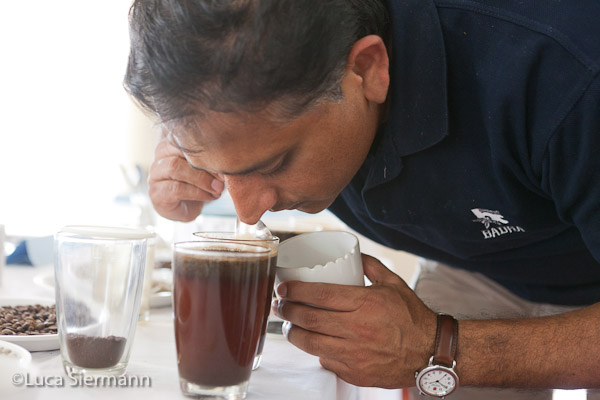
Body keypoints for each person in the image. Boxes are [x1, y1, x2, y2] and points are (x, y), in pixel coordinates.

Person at [124, 0, 600, 398]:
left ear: (367, 70)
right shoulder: (248, 88)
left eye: (272, 164)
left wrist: (437, 347)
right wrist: (193, 155)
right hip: (480, 259)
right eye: (219, 168)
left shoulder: (565, 75)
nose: (249, 211)